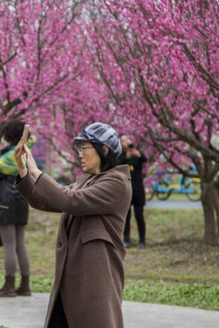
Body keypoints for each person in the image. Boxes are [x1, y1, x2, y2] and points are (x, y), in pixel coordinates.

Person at [13, 122, 132, 328]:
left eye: (84, 148)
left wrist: (36, 171)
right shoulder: (87, 181)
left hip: (94, 282)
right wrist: (24, 170)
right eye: (79, 149)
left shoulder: (117, 183)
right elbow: (45, 200)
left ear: (104, 150)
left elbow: (70, 200)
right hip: (70, 281)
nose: (80, 154)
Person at [0, 120, 32, 297]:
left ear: (8, 136)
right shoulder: (27, 153)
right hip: (22, 201)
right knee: (20, 245)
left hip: (6, 202)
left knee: (10, 246)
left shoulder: (9, 157)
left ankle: (9, 286)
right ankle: (25, 286)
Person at [118, 134, 148, 249]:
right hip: (125, 190)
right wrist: (126, 156)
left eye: (128, 139)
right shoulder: (120, 156)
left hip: (138, 191)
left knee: (139, 216)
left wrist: (138, 154)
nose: (126, 142)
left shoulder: (136, 153)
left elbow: (144, 159)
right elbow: (116, 164)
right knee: (126, 217)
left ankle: (142, 240)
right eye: (123, 140)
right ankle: (127, 240)